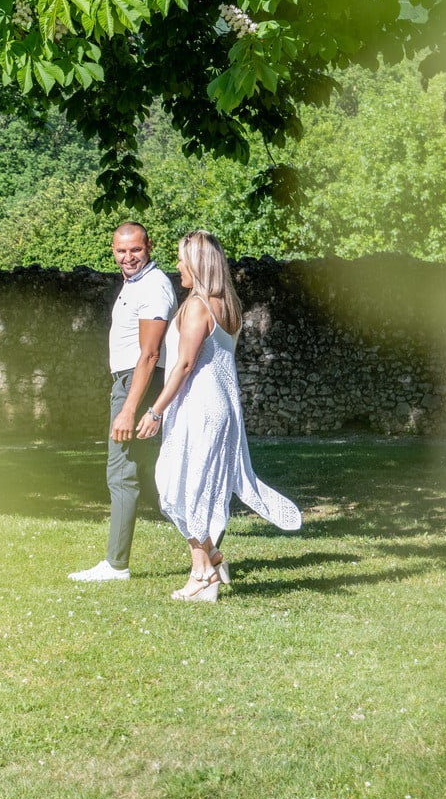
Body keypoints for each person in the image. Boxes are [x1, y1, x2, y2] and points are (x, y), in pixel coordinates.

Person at [137, 231, 300, 602]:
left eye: (181, 258)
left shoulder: (197, 307)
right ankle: (209, 559)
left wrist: (155, 410)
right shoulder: (228, 306)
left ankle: (202, 572)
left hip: (201, 407)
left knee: (177, 487)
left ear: (197, 263)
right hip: (219, 407)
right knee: (185, 487)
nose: (177, 265)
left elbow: (185, 364)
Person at [69, 222, 177, 582]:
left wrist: (130, 408)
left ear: (149, 246)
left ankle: (116, 565)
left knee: (122, 473)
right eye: (121, 251)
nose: (128, 257)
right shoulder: (136, 283)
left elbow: (149, 354)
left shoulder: (154, 286)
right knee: (145, 476)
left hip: (137, 381)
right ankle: (209, 554)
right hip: (128, 380)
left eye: (135, 250)